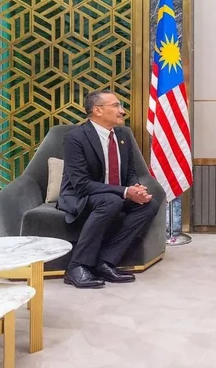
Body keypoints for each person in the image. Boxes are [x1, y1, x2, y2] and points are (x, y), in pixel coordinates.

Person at [57, 90, 160, 289]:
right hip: (80, 195)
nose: (122, 111)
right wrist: (125, 192)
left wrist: (136, 188)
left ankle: (105, 261)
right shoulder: (75, 138)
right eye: (116, 106)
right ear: (97, 110)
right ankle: (76, 267)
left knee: (149, 204)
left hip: (113, 195)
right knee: (112, 200)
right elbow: (81, 184)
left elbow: (130, 171)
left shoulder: (123, 135)